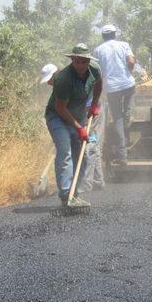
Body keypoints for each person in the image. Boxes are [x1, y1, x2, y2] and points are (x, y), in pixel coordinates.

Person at [45, 44, 103, 207]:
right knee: (65, 152)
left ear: (88, 61)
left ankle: (74, 193)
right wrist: (79, 128)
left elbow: (99, 83)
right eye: (78, 61)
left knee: (81, 156)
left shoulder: (95, 69)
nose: (81, 65)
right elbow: (60, 108)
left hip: (77, 116)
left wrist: (94, 104)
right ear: (72, 60)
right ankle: (65, 195)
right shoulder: (64, 79)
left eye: (84, 62)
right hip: (57, 117)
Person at [93, 25, 136, 166]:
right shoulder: (124, 45)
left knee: (117, 118)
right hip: (128, 84)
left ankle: (122, 155)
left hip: (111, 88)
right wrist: (128, 72)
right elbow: (131, 61)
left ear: (103, 36)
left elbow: (96, 73)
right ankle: (127, 122)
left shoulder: (98, 51)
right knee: (126, 116)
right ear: (115, 34)